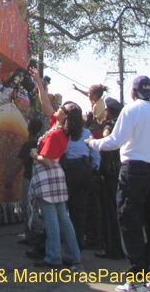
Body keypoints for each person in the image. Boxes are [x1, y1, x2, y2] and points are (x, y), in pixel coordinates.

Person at [86, 75, 150, 292]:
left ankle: (136, 279)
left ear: (134, 92)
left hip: (134, 171)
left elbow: (116, 141)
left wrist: (92, 143)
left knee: (130, 223)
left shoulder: (131, 110)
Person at [27, 75, 83, 270]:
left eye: (62, 108)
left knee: (51, 217)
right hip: (56, 175)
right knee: (63, 217)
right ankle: (73, 256)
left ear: (65, 116)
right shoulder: (59, 128)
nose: (58, 108)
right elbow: (45, 102)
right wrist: (38, 82)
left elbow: (47, 159)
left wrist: (34, 154)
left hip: (47, 173)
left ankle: (53, 257)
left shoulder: (56, 133)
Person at [60, 102, 100, 249]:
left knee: (60, 208)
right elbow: (95, 155)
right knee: (79, 210)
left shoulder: (63, 133)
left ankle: (58, 243)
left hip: (68, 170)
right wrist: (94, 170)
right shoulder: (87, 133)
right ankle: (76, 245)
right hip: (84, 170)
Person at [95, 97, 125, 261]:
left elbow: (106, 150)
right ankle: (121, 247)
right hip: (122, 171)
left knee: (110, 212)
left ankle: (112, 248)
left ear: (108, 111)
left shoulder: (110, 127)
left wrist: (100, 171)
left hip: (110, 173)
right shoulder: (124, 126)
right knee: (120, 210)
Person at [8, 117, 44, 245]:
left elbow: (20, 163)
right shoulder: (40, 143)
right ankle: (30, 235)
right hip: (39, 179)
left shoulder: (28, 144)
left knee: (27, 208)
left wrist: (10, 178)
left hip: (29, 178)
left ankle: (38, 232)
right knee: (34, 208)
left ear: (29, 128)